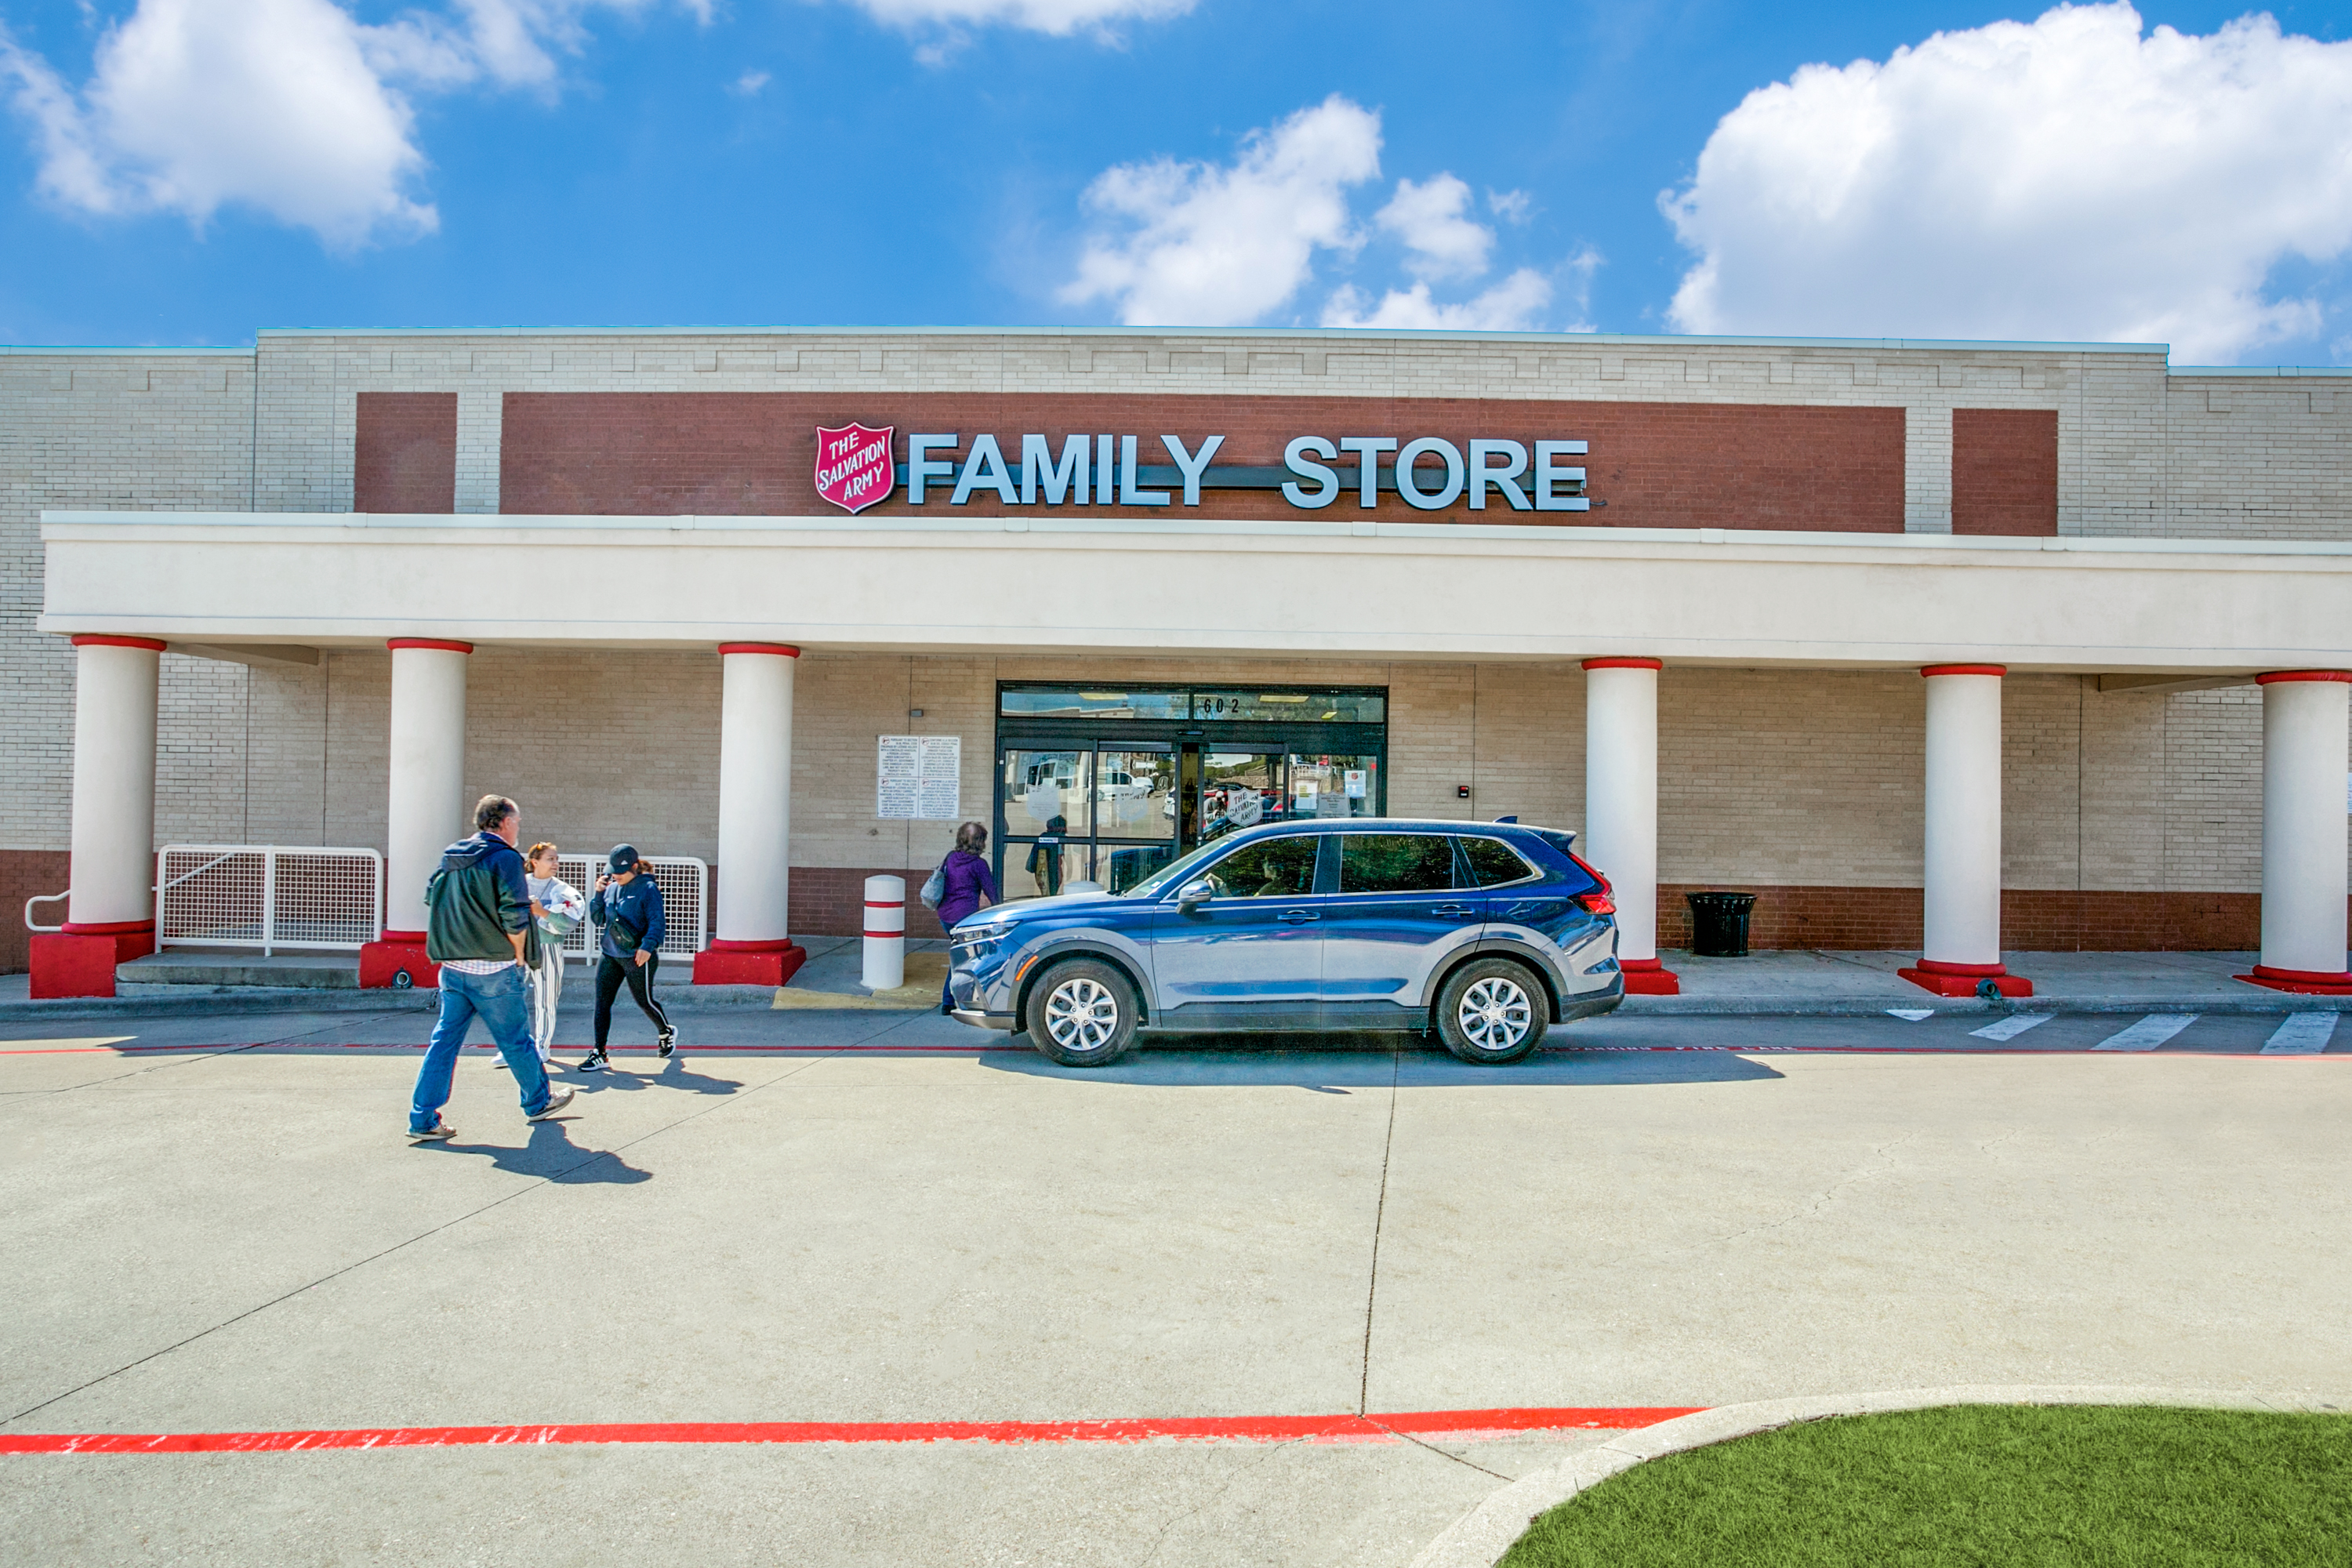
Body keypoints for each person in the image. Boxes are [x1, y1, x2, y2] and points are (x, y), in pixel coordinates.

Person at [408, 795, 575, 1141]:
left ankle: (422, 1117)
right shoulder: (505, 859)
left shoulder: (452, 855)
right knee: (516, 1040)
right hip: (494, 968)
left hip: (453, 968)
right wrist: (517, 956)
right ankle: (538, 1101)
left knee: (444, 1041)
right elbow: (515, 914)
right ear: (504, 822)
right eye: (517, 822)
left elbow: (431, 896)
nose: (518, 829)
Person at [584, 844, 675, 1071]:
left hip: (638, 956)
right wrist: (598, 893)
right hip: (610, 954)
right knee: (602, 1004)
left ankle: (666, 1031)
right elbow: (597, 919)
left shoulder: (648, 889)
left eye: (620, 871)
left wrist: (648, 946)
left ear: (634, 867)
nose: (615, 875)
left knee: (644, 1001)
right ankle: (599, 1052)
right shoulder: (612, 888)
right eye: (612, 871)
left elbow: (657, 921)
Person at [505, 841, 583, 1073]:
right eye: (550, 859)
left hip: (548, 948)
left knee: (546, 999)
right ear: (535, 861)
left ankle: (542, 1046)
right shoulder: (518, 884)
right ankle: (512, 1047)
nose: (556, 863)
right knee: (511, 996)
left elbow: (569, 923)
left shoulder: (562, 889)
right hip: (519, 947)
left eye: (556, 859)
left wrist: (543, 912)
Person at [935, 821, 1000, 1014]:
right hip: (965, 919)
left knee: (962, 956)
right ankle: (950, 1002)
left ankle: (954, 1000)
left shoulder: (950, 857)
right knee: (964, 959)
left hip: (945, 917)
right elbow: (992, 893)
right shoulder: (979, 864)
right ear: (980, 842)